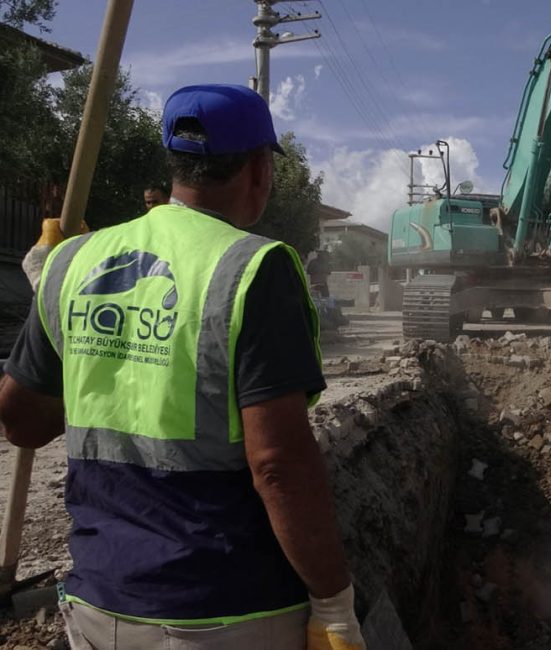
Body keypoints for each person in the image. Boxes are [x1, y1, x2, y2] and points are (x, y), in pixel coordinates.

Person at [0, 84, 364, 650]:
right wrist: (334, 602)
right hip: (225, 611)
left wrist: (60, 312)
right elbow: (278, 466)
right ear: (260, 169)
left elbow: (21, 423)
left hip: (99, 602)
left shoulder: (73, 260)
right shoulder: (255, 267)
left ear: (177, 167)